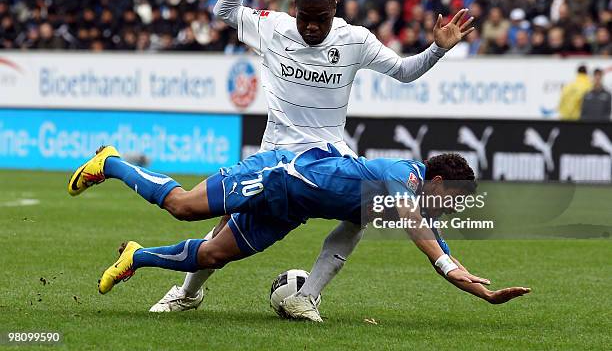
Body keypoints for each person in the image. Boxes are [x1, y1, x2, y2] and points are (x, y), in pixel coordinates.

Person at [147, 0, 475, 318]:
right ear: (294, 11)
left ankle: (307, 297)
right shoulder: (274, 27)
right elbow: (223, 10)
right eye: (306, 18)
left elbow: (404, 71)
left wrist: (436, 50)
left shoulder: (356, 40)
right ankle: (188, 292)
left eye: (321, 18)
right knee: (224, 228)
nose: (312, 26)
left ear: (334, 13)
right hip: (276, 151)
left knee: (362, 212)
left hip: (330, 153)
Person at [68, 145, 531, 314]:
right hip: (277, 175)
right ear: (435, 181)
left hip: (289, 209)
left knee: (213, 255)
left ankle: (136, 256)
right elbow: (421, 231)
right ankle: (112, 163)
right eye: (453, 198)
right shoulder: (400, 177)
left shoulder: (411, 199)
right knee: (184, 207)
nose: (452, 208)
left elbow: (438, 247)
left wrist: (482, 294)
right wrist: (447, 264)